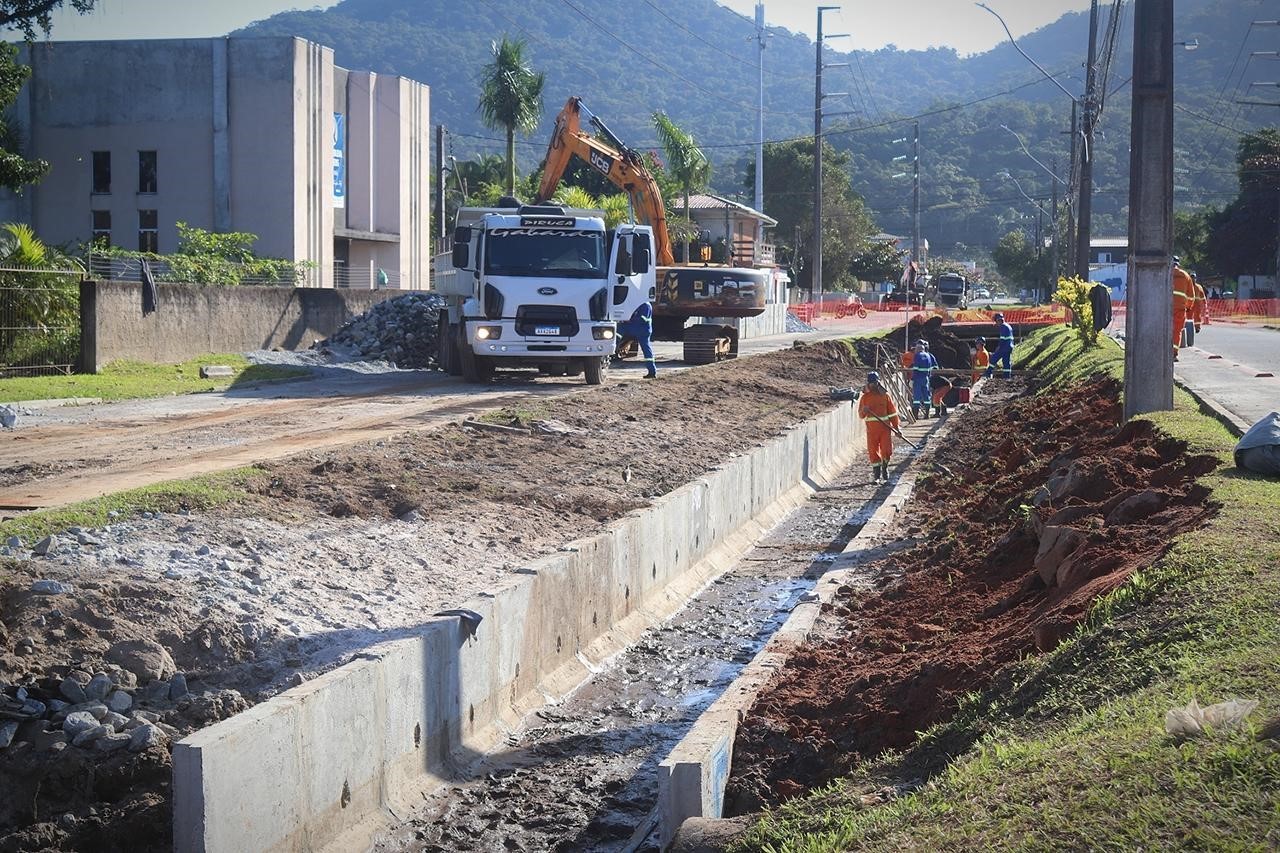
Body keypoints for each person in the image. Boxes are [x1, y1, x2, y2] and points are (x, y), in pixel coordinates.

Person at [858, 370, 899, 482]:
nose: (873, 385)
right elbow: (861, 415)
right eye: (871, 383)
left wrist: (897, 428)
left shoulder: (885, 396)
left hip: (885, 429)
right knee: (873, 451)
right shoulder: (865, 397)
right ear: (868, 383)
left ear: (878, 382)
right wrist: (864, 410)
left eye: (875, 383)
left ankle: (885, 468)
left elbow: (892, 413)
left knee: (886, 450)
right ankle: (876, 475)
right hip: (871, 430)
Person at [617, 301, 657, 378]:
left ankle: (615, 345)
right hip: (642, 330)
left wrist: (629, 320)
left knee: (619, 328)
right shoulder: (639, 303)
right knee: (647, 350)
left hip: (641, 330)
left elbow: (643, 319)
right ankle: (652, 371)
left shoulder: (645, 305)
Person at [1171, 257, 1195, 360]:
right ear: (1178, 264)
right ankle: (1174, 354)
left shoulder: (1164, 273)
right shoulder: (1186, 276)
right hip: (1180, 309)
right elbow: (1191, 296)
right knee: (1177, 331)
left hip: (1165, 309)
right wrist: (1188, 307)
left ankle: (1162, 351)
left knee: (1163, 330)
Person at [910, 341, 937, 419]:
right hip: (926, 378)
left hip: (918, 378)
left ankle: (916, 415)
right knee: (926, 396)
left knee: (916, 397)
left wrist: (912, 379)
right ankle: (927, 414)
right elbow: (931, 367)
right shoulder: (928, 355)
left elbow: (915, 369)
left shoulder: (917, 356)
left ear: (918, 349)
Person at [986, 312, 1014, 378]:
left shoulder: (1003, 327)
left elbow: (1002, 340)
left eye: (996, 321)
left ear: (998, 320)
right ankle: (1007, 376)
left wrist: (998, 348)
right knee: (1006, 362)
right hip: (1009, 347)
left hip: (1004, 347)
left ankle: (988, 373)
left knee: (993, 358)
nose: (996, 323)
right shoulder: (1008, 326)